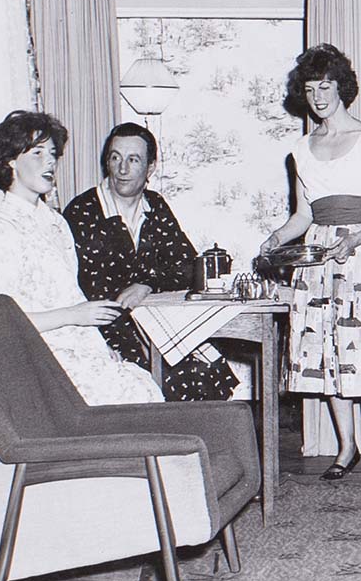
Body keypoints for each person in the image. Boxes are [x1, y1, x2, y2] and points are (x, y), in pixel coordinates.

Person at [260, 44, 361, 494]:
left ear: (341, 87)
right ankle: (346, 448)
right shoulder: (301, 148)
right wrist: (275, 239)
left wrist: (357, 237)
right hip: (318, 256)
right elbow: (303, 215)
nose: (318, 96)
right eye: (309, 89)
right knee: (329, 352)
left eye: (325, 86)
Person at [0, 110, 163, 406]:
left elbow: (67, 295)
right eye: (37, 153)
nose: (49, 163)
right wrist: (75, 316)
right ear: (10, 161)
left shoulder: (56, 224)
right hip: (36, 366)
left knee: (144, 389)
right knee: (138, 398)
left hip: (76, 353)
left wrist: (97, 345)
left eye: (53, 154)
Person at [63, 123, 239, 401]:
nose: (122, 169)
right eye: (115, 157)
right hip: (104, 327)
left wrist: (147, 284)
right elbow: (80, 286)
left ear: (151, 167)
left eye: (133, 160)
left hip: (155, 322)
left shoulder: (155, 205)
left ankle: (202, 442)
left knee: (207, 367)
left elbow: (187, 266)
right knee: (166, 377)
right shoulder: (83, 210)